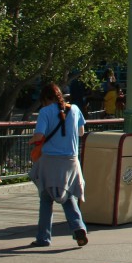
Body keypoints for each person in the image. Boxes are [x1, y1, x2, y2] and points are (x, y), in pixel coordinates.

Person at [29, 83, 88, 247]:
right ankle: (78, 227)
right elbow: (81, 132)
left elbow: (39, 134)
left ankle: (43, 237)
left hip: (50, 161)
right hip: (71, 160)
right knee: (68, 195)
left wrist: (33, 140)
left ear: (46, 98)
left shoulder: (44, 112)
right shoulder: (75, 109)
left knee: (46, 198)